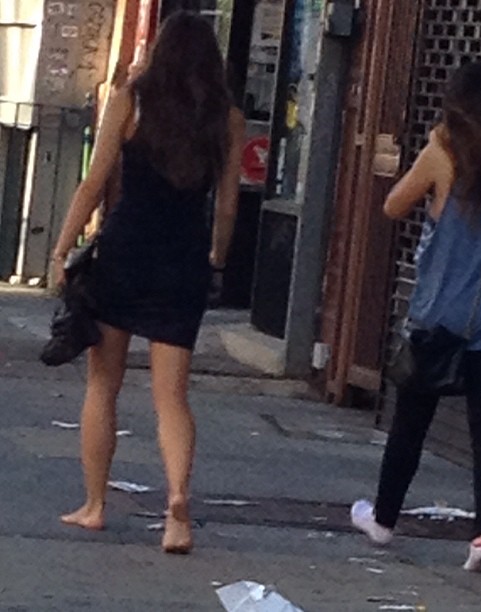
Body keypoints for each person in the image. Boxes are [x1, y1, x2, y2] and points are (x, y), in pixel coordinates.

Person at [350, 62, 481, 573]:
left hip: (441, 317)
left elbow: (393, 206)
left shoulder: (443, 153)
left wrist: (432, 157)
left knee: (411, 421)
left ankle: (383, 519)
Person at [52, 11, 245, 554]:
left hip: (125, 251)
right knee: (172, 398)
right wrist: (217, 256)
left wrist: (63, 246)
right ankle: (177, 506)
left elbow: (95, 180)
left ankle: (94, 505)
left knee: (102, 384)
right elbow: (227, 204)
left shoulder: (131, 101)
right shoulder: (226, 118)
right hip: (183, 259)